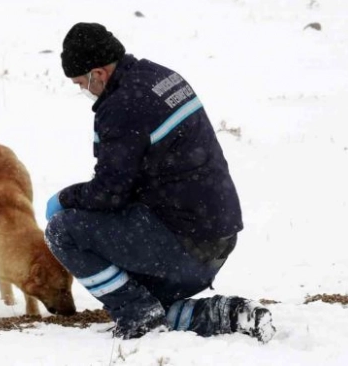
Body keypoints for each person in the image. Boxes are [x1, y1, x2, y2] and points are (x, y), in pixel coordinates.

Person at [44, 22, 275, 343]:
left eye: (81, 83)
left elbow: (110, 194)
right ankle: (223, 313)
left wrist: (65, 198)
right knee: (131, 280)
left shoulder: (121, 106)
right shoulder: (161, 76)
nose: (84, 90)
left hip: (186, 248)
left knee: (62, 231)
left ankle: (137, 313)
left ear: (98, 73)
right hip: (217, 237)